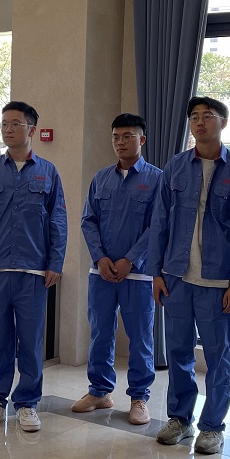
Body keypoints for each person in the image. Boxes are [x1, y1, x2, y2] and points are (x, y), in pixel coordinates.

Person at [146, 96, 230, 454]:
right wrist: (156, 272)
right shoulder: (176, 166)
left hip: (218, 282)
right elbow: (160, 221)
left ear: (222, 122)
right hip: (177, 277)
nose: (199, 122)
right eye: (194, 116)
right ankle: (179, 419)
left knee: (218, 357)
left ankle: (213, 426)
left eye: (207, 116)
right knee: (178, 351)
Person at [0, 101, 68, 433]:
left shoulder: (48, 172)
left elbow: (58, 221)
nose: (8, 129)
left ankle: (27, 404)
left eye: (15, 124)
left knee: (31, 341)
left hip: (33, 273)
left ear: (31, 130)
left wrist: (55, 263)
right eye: (4, 124)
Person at [73, 113, 163, 425]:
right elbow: (88, 220)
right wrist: (100, 258)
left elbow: (158, 226)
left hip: (138, 274)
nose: (120, 142)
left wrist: (130, 259)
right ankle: (99, 391)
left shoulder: (157, 179)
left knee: (140, 337)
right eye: (116, 137)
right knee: (100, 332)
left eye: (127, 136)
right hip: (101, 273)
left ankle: (139, 397)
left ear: (142, 139)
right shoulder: (101, 178)